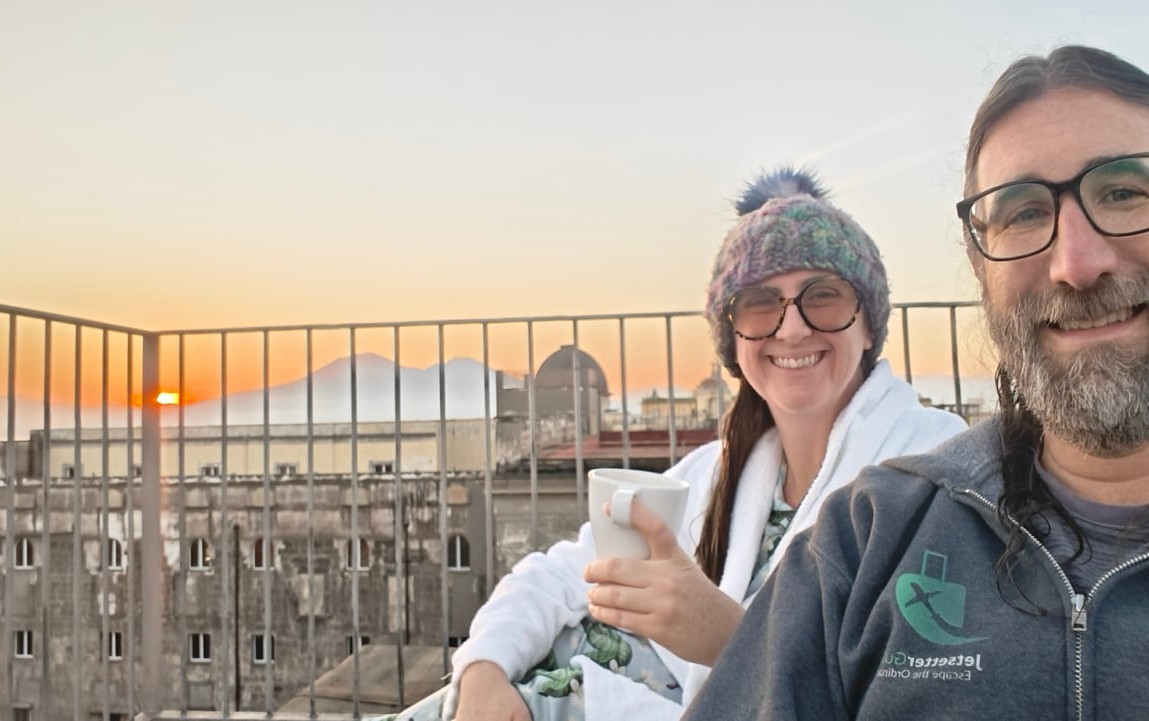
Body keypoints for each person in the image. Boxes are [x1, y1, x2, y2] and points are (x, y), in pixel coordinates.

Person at [383, 169, 966, 721]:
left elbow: (922, 692)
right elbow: (563, 573)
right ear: (732, 340)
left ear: (869, 323)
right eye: (760, 303)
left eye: (824, 296)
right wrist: (484, 667)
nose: (792, 328)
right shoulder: (716, 474)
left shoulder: (931, 479)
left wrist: (727, 636)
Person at [682, 44, 1149, 721]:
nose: (1076, 262)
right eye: (1022, 212)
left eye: (1124, 192)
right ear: (979, 263)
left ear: (868, 324)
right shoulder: (868, 538)